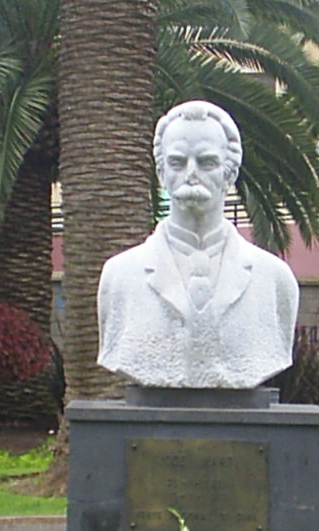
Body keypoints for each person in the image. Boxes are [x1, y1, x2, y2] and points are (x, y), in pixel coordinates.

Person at [97, 100, 299, 389]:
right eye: (177, 162)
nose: (191, 173)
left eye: (207, 162)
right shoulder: (119, 276)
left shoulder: (275, 280)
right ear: (161, 173)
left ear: (229, 173)